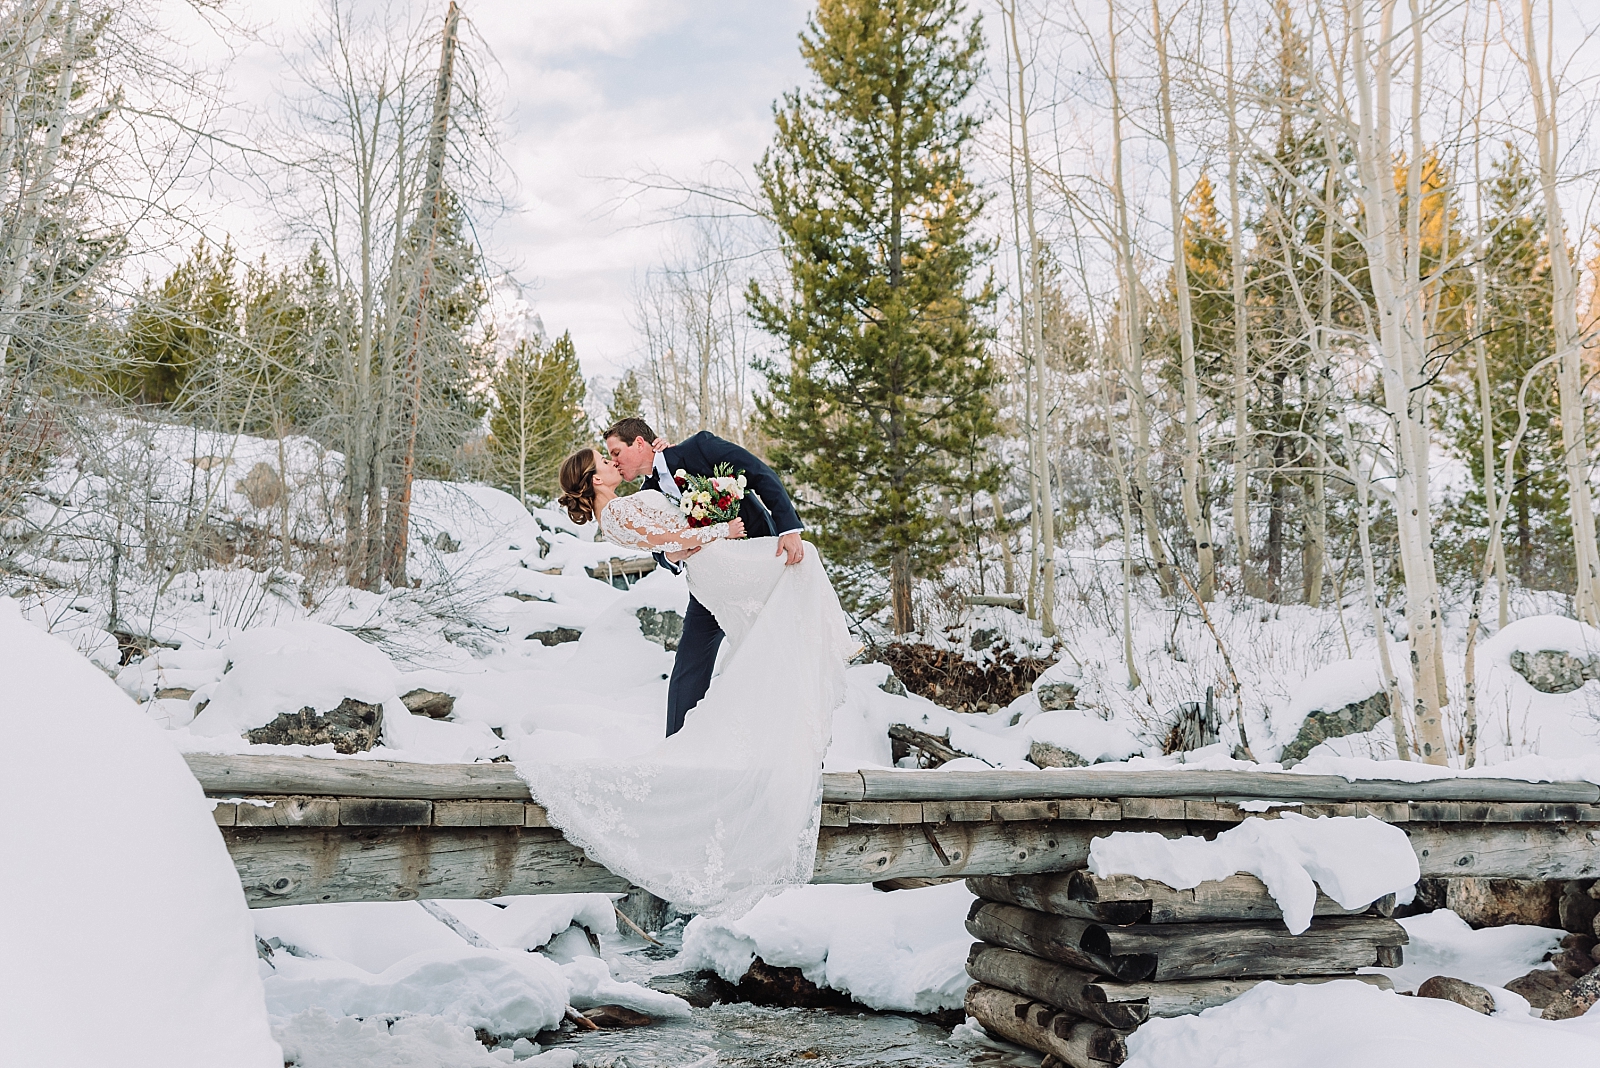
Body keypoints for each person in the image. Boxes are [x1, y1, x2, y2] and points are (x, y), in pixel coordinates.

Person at [517, 443, 853, 917]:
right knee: (804, 566)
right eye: (605, 460)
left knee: (774, 617)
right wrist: (724, 527)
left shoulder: (637, 493)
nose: (613, 463)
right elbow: (675, 541)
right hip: (715, 563)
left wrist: (710, 522)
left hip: (714, 564)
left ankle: (783, 703)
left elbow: (675, 534)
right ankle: (823, 659)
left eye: (616, 454)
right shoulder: (615, 514)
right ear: (594, 480)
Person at [603, 417, 807, 737]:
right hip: (710, 582)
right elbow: (658, 541)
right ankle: (677, 750)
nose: (614, 462)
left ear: (639, 443)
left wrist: (789, 529)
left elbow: (758, 473)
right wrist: (670, 556)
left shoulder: (699, 448)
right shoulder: (646, 494)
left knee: (774, 656)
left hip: (759, 566)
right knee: (689, 665)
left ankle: (795, 747)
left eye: (616, 452)